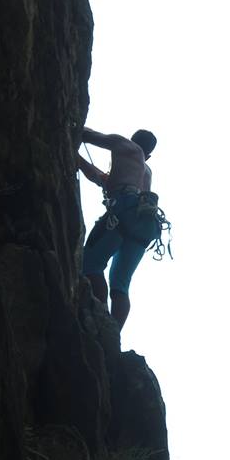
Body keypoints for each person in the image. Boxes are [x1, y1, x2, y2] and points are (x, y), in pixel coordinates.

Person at [77, 127, 160, 330]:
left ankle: (101, 316)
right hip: (146, 225)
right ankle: (113, 334)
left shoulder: (123, 144)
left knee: (90, 264)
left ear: (131, 139)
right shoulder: (144, 171)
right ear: (148, 155)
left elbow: (83, 133)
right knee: (120, 285)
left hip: (125, 210)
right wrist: (77, 159)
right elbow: (100, 178)